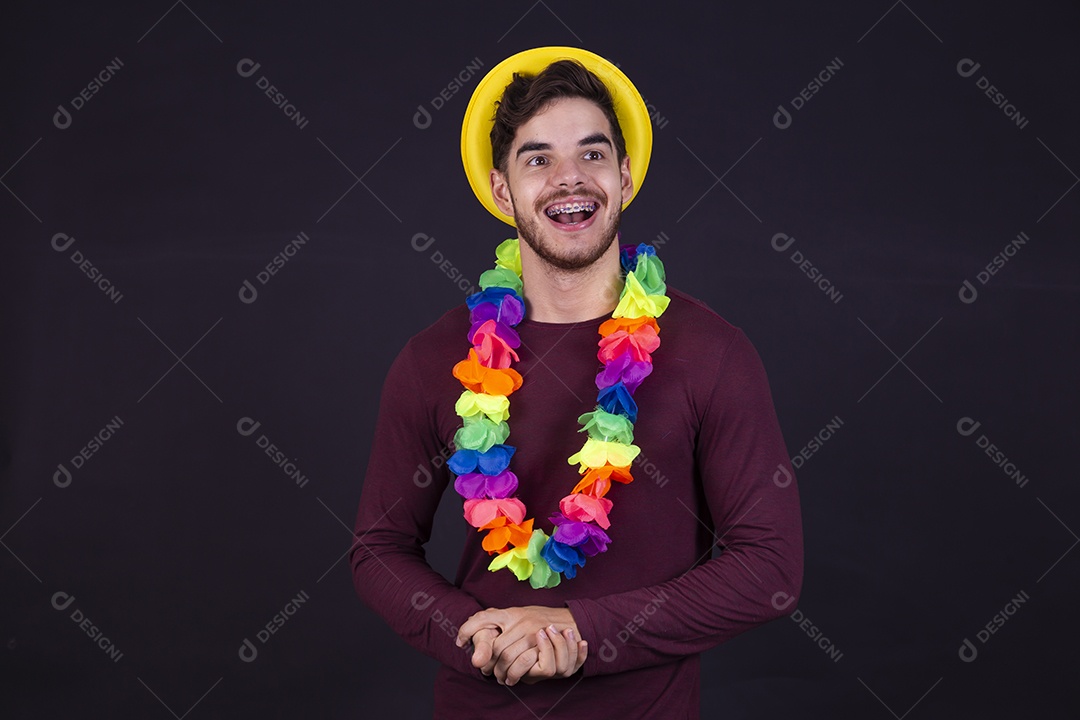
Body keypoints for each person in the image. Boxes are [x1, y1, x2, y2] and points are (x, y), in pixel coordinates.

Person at [352, 46, 803, 719]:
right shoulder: (435, 360)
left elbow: (770, 568)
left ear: (623, 175)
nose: (570, 180)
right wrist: (464, 630)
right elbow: (378, 550)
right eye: (538, 159)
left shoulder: (712, 353)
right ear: (503, 190)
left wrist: (582, 633)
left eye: (592, 155)